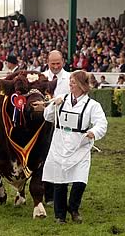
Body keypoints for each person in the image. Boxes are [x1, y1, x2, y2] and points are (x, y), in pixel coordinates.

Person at [42, 70, 108, 224]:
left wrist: (93, 132)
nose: (70, 84)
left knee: (80, 180)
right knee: (60, 181)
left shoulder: (92, 105)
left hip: (80, 146)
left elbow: (102, 123)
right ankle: (60, 216)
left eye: (73, 82)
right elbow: (47, 116)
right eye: (70, 81)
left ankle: (73, 207)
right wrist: (52, 106)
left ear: (82, 85)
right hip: (60, 143)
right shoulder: (62, 99)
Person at [43, 50, 70, 205]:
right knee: (45, 158)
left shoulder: (69, 79)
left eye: (58, 63)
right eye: (52, 63)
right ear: (48, 62)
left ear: (63, 62)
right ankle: (47, 194)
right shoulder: (41, 77)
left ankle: (57, 194)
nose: (55, 66)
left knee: (60, 159)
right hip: (43, 124)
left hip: (62, 124)